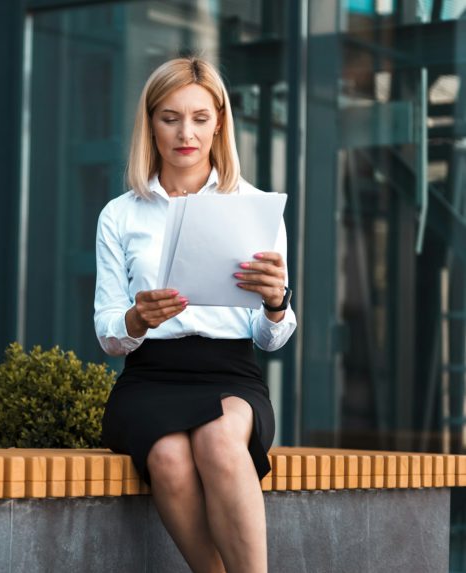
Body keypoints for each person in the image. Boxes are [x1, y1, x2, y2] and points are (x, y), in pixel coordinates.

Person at [94, 57, 297, 573]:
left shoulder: (254, 208)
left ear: (220, 122)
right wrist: (138, 320)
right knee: (165, 457)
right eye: (170, 117)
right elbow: (108, 332)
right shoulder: (120, 214)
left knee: (219, 439)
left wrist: (277, 303)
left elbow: (270, 340)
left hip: (231, 374)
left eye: (200, 118)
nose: (186, 133)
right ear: (151, 123)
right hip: (150, 378)